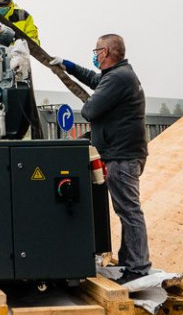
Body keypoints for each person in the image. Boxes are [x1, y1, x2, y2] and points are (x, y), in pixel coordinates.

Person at [52, 34, 150, 284]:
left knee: (129, 210)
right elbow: (96, 80)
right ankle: (130, 263)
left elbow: (90, 110)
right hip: (123, 152)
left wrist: (89, 101)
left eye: (96, 50)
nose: (95, 55)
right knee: (126, 209)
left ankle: (138, 267)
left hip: (122, 155)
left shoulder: (118, 78)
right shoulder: (119, 75)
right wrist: (69, 66)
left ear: (106, 52)